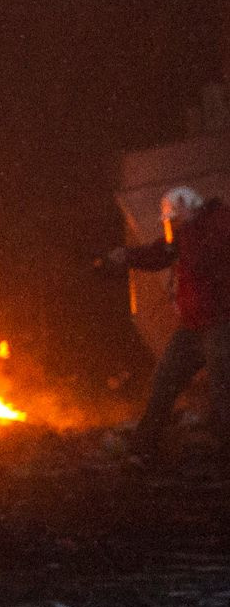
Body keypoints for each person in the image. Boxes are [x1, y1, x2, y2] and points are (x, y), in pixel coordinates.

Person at [103, 186, 230, 467]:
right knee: (165, 380)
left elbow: (202, 259)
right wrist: (127, 255)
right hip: (193, 326)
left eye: (174, 216)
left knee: (224, 390)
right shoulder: (185, 232)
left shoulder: (221, 222)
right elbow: (161, 253)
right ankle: (144, 446)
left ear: (187, 203)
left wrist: (183, 243)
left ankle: (226, 456)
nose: (172, 223)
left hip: (222, 323)